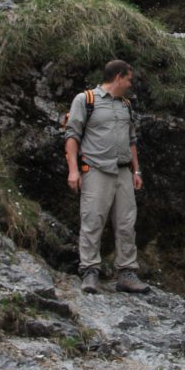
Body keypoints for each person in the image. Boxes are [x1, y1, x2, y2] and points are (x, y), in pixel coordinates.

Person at [64, 59, 149, 294]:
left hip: (123, 171)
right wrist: (73, 170)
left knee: (126, 223)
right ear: (118, 77)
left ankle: (127, 273)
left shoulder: (126, 105)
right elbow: (72, 135)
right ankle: (90, 271)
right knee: (93, 220)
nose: (131, 84)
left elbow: (131, 140)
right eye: (129, 79)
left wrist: (137, 170)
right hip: (95, 168)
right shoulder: (86, 100)